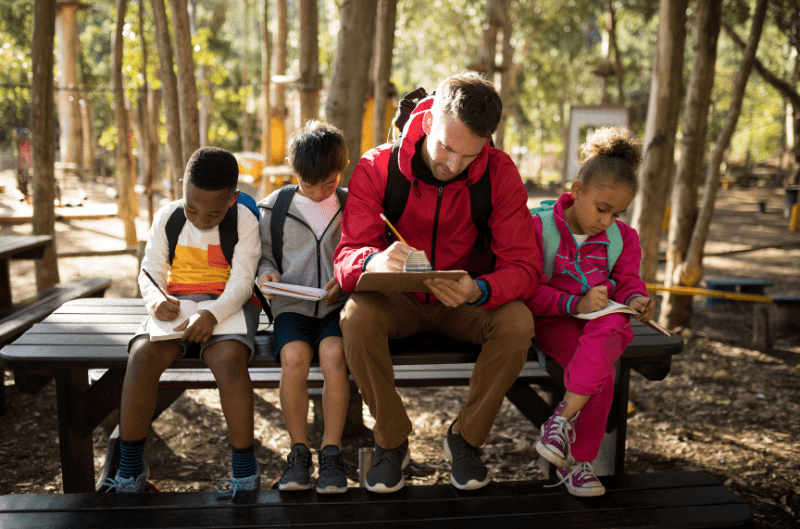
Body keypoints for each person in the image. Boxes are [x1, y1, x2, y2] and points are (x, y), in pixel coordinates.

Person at [334, 72, 540, 493]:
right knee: (355, 318)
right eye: (447, 147)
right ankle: (391, 442)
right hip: (397, 303)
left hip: (464, 300)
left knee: (517, 323)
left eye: (469, 156)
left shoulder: (499, 173)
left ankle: (465, 439)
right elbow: (345, 261)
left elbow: (525, 266)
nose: (453, 165)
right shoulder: (376, 167)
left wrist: (479, 289)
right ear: (428, 122)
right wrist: (374, 260)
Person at [105, 147, 262, 495]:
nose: (202, 220)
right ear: (182, 187)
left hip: (227, 305)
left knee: (229, 360)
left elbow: (242, 281)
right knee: (141, 357)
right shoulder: (168, 217)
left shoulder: (245, 221)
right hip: (177, 304)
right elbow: (150, 273)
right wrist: (156, 299)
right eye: (193, 208)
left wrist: (213, 313)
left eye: (215, 213)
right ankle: (129, 471)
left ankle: (244, 471)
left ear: (233, 198)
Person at [525, 127, 655, 497]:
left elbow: (628, 281)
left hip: (601, 325)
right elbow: (528, 290)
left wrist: (636, 300)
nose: (607, 221)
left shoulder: (622, 238)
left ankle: (563, 428)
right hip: (553, 322)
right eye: (602, 209)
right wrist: (575, 304)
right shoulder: (541, 228)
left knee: (613, 327)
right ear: (576, 189)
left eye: (618, 213)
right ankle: (579, 462)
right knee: (602, 372)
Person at [257, 121, 351, 494]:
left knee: (334, 354)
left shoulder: (350, 205)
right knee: (294, 358)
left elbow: (361, 252)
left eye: (328, 184)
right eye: (309, 185)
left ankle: (332, 451)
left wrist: (343, 282)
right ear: (295, 173)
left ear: (341, 169)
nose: (318, 193)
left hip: (335, 305)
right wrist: (267, 275)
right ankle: (298, 451)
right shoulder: (274, 207)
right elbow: (263, 256)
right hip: (291, 305)